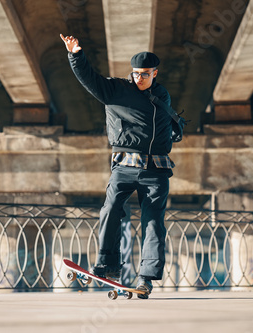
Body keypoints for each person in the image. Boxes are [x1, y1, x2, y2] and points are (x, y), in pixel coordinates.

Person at [60, 34, 177, 299]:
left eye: (145, 74)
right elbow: (89, 79)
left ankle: (146, 278)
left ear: (155, 73)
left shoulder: (162, 95)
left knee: (153, 224)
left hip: (156, 170)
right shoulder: (117, 90)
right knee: (110, 209)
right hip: (124, 165)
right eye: (135, 74)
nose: (139, 79)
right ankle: (108, 266)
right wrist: (75, 55)